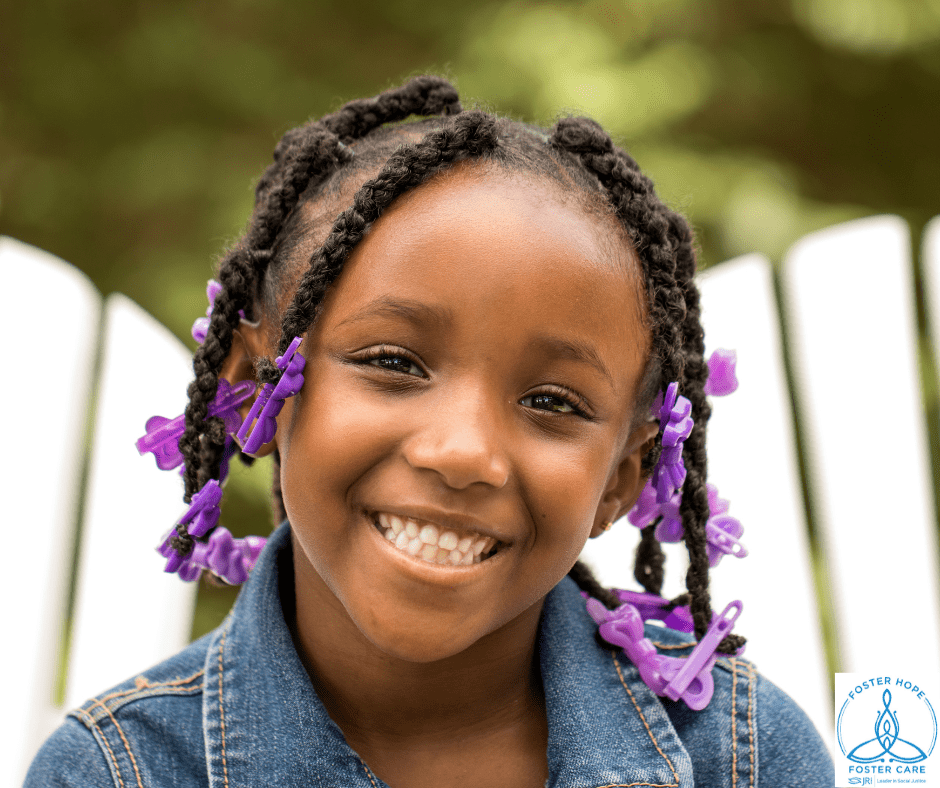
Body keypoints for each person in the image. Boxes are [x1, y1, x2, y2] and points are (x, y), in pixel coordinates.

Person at [26, 75, 832, 787]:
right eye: (393, 362)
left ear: (624, 479)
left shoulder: (746, 759)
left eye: (553, 402)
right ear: (252, 392)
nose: (463, 453)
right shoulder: (115, 773)